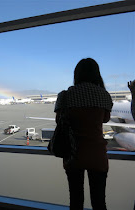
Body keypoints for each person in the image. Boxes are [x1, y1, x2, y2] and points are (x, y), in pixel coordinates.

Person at [54, 58, 113, 210]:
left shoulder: (65, 96)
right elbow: (105, 119)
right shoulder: (104, 95)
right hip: (97, 155)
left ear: (77, 74)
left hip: (73, 154)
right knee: (99, 202)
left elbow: (58, 120)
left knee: (75, 200)